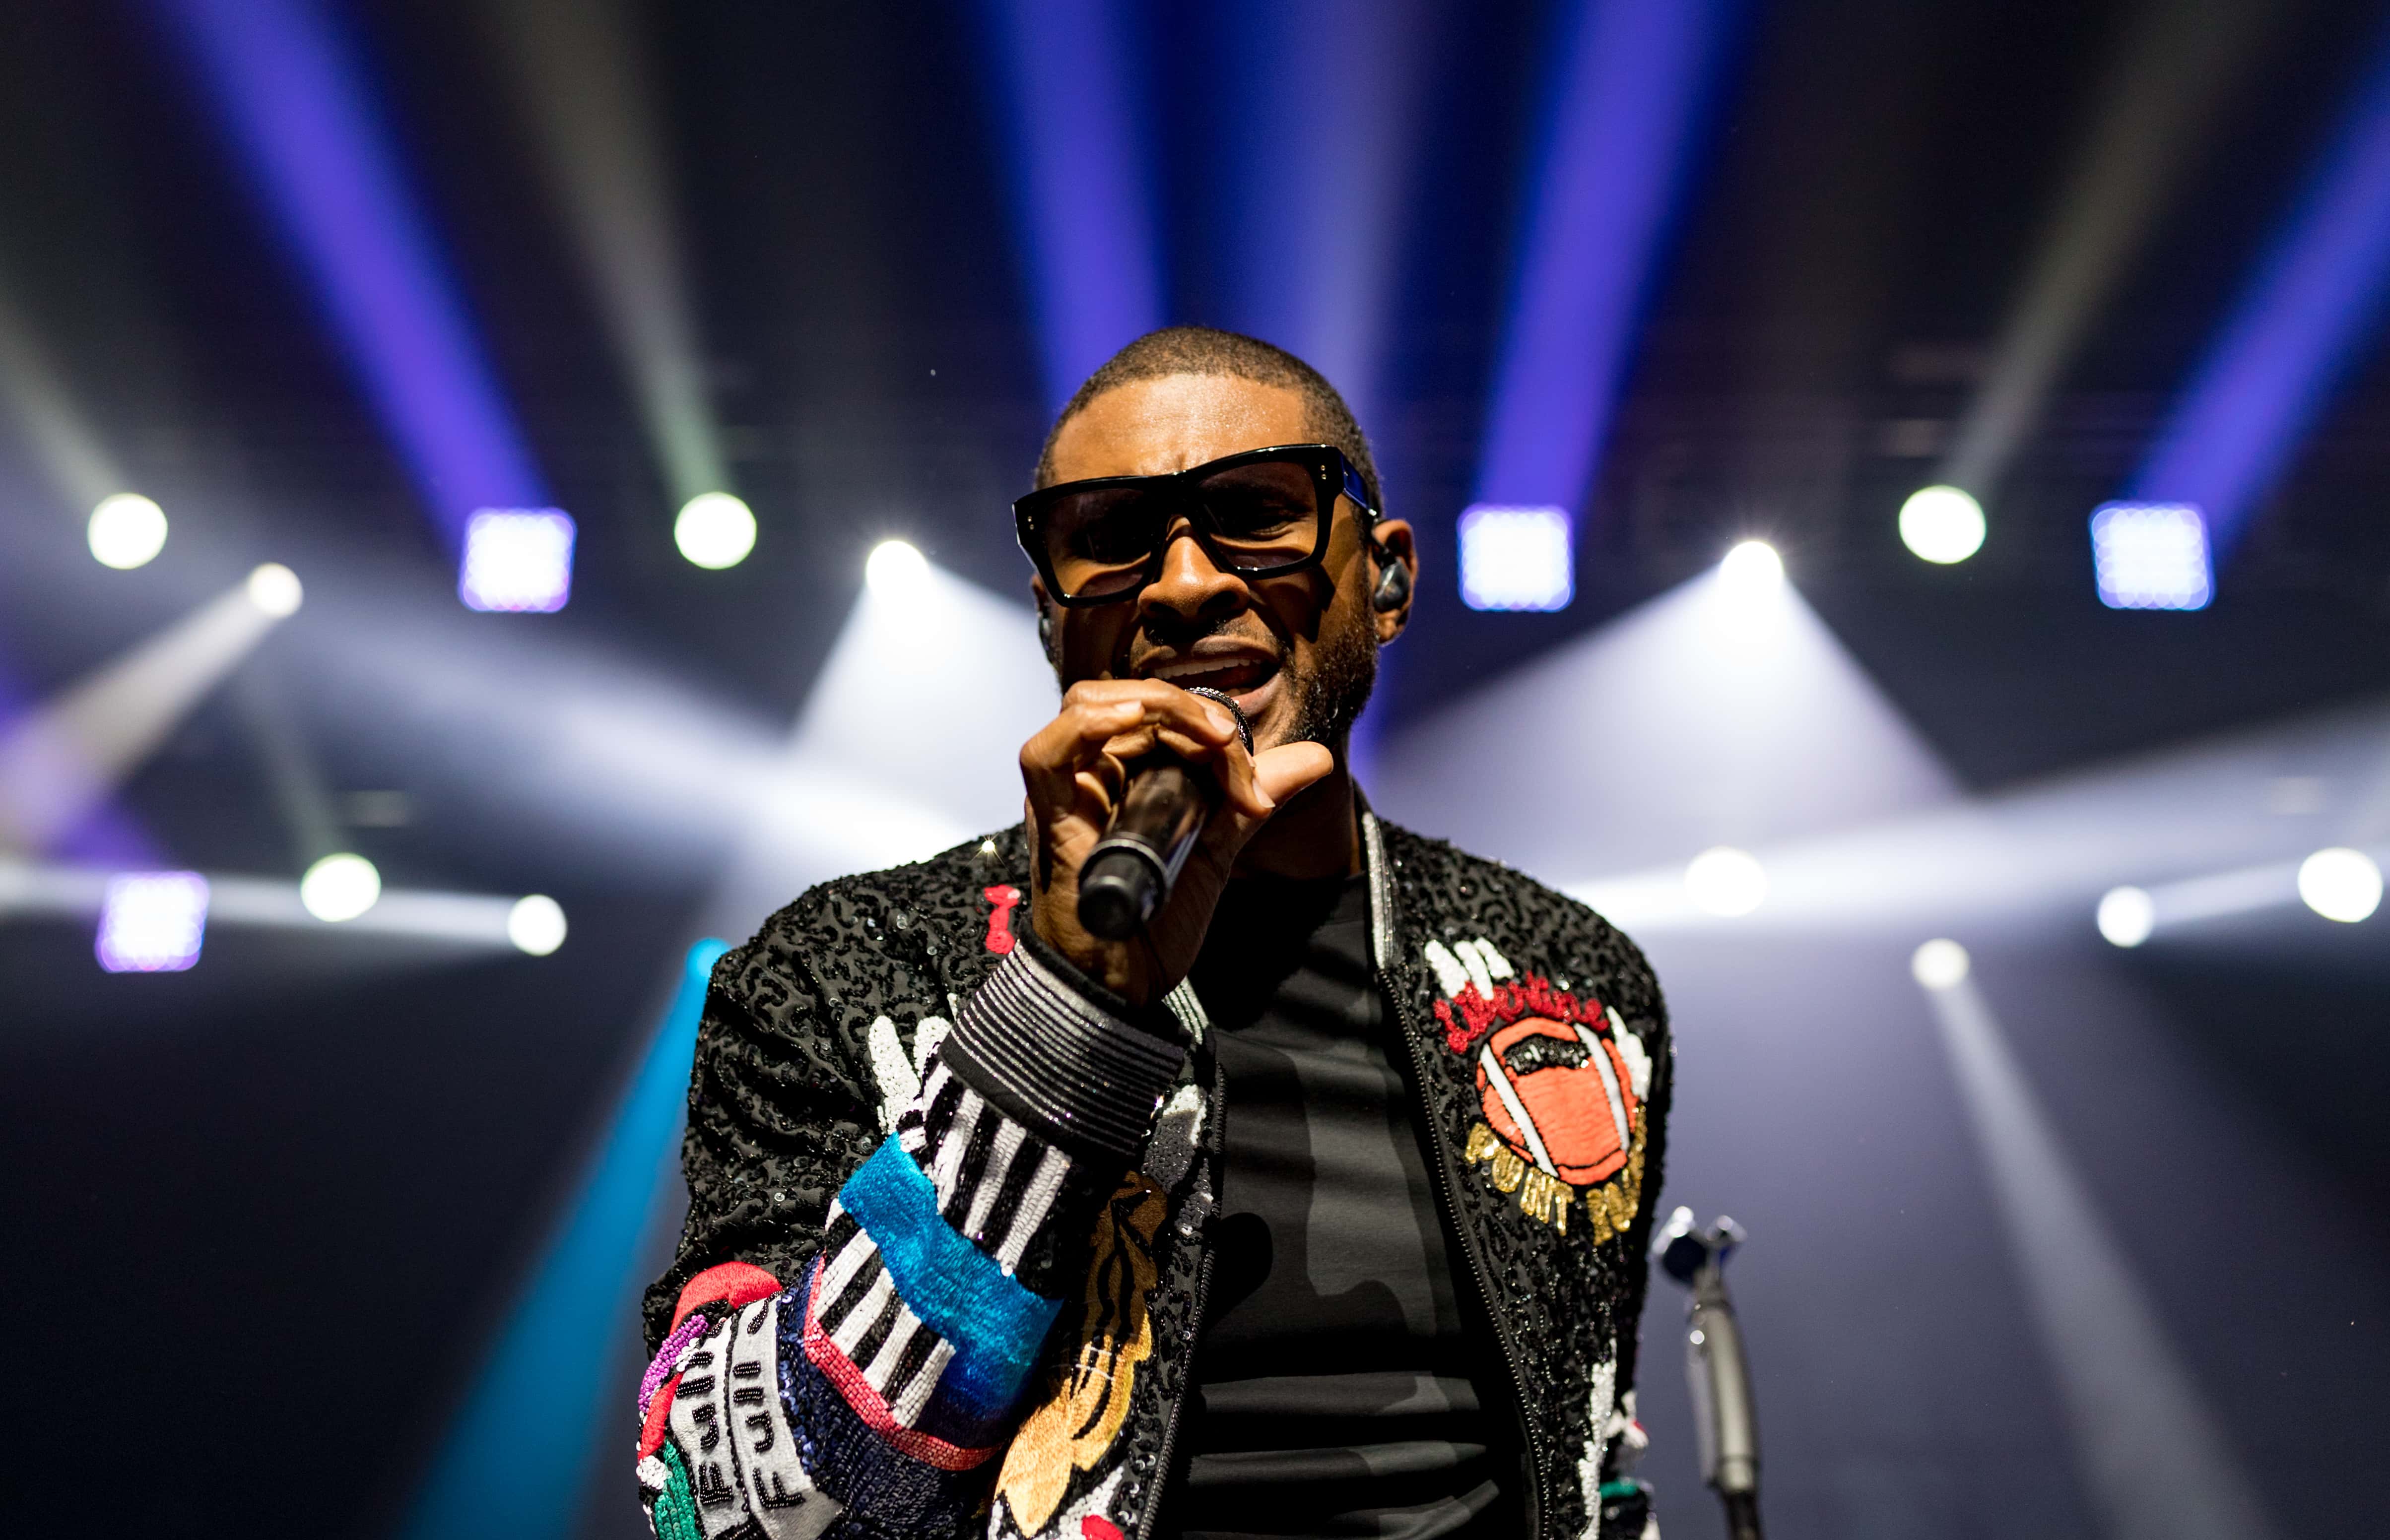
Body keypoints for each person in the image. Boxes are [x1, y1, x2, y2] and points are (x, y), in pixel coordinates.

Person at [633, 327, 1671, 1540]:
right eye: (1111, 537)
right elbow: (730, 1509)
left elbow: (1589, 1460)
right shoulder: (836, 970)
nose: (1181, 585)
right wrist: (1067, 1007)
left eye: (1255, 511)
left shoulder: (1566, 981)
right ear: (1047, 614)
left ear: (1383, 581)